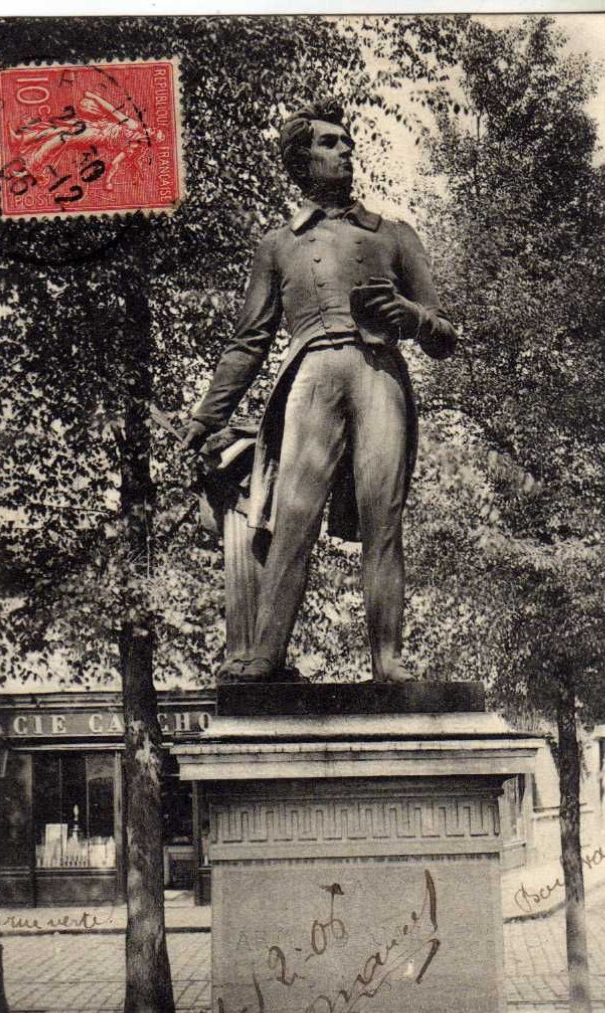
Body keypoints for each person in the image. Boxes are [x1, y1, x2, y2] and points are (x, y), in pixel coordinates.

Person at [182, 99, 456, 683]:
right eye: (330, 143)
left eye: (348, 142)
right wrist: (208, 415)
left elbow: (443, 334)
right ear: (301, 161)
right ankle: (266, 654)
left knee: (384, 517)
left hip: (382, 377)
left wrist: (408, 313)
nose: (346, 151)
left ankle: (388, 659)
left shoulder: (396, 236)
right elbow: (248, 341)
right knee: (294, 515)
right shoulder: (278, 245)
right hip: (310, 377)